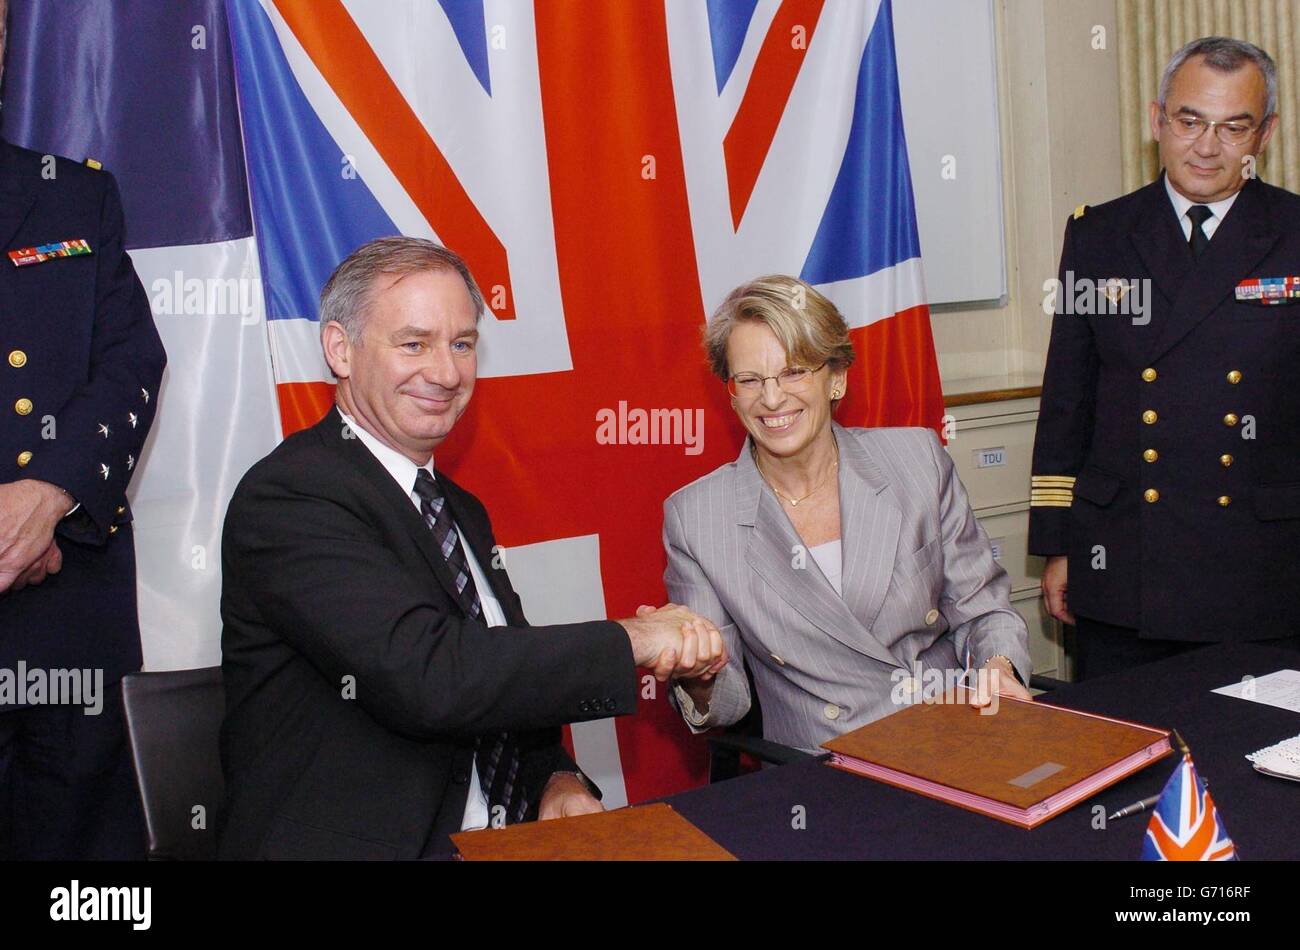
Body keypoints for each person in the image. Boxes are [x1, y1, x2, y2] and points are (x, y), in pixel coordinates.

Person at [217, 237, 724, 859]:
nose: (447, 371)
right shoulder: (292, 497)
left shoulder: (459, 510)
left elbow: (497, 678)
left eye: (462, 343)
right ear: (339, 350)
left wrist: (555, 777)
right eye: (414, 343)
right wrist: (637, 640)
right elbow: (431, 676)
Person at [662, 276, 1031, 754]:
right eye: (750, 379)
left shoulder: (916, 459)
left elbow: (983, 609)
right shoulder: (697, 519)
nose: (771, 399)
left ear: (836, 378)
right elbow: (729, 703)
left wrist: (997, 666)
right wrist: (699, 675)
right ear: (731, 392)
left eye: (794, 372)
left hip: (952, 742)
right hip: (825, 765)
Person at [1030, 36, 1300, 679]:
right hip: (1125, 564)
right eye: (1189, 121)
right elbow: (1068, 398)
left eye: (1234, 127)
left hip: (1264, 570)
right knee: (1126, 761)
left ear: (1265, 134)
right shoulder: (1099, 233)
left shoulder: (1293, 233)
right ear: (1157, 121)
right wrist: (1059, 546)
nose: (1207, 147)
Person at [0, 0, 166, 859]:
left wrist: (48, 491)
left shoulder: (75, 197)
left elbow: (134, 360)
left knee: (88, 883)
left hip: (68, 605)